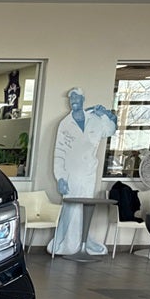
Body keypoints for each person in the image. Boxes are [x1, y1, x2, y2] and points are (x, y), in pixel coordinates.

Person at [48, 88, 118, 255]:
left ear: (83, 99)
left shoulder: (95, 120)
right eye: (71, 98)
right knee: (70, 208)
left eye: (76, 98)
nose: (73, 101)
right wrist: (60, 178)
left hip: (88, 174)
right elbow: (59, 152)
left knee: (84, 207)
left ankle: (82, 243)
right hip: (71, 173)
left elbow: (110, 130)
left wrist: (105, 115)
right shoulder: (65, 124)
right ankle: (66, 245)